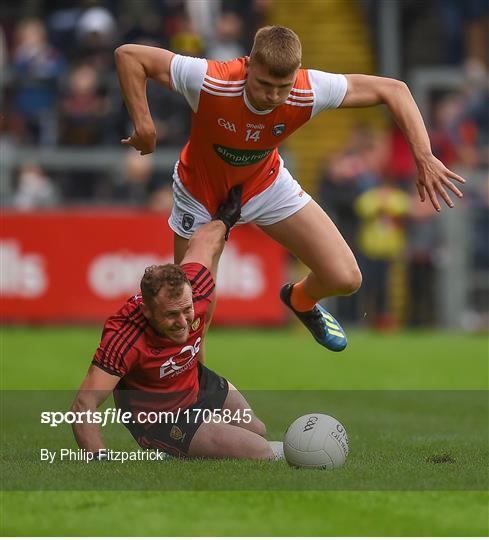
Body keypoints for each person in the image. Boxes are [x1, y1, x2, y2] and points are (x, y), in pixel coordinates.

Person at [114, 25, 465, 352]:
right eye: (265, 84)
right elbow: (130, 55)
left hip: (265, 184)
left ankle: (300, 299)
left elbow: (394, 89)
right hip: (200, 193)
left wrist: (424, 155)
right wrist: (143, 123)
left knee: (345, 277)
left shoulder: (308, 90)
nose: (274, 96)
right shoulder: (210, 79)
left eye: (283, 87)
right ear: (248, 65)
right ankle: (191, 400)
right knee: (191, 313)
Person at [71, 187, 282, 460]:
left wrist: (226, 217)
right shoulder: (124, 337)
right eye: (171, 315)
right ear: (147, 311)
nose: (183, 322)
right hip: (158, 417)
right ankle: (171, 445)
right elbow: (84, 403)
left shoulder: (198, 286)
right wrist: (98, 457)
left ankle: (196, 444)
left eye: (187, 310)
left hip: (194, 380)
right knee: (258, 452)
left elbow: (204, 242)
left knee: (258, 430)